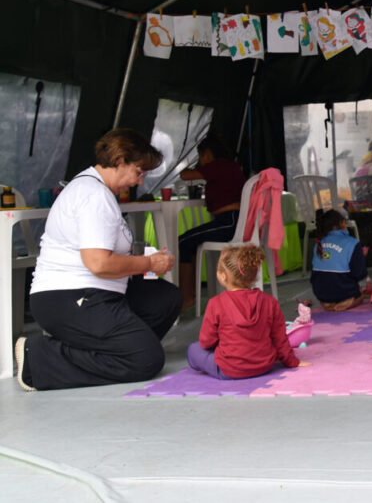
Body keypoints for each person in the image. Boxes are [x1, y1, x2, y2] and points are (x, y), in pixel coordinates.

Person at [14, 129, 182, 391]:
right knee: (146, 360)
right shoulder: (95, 196)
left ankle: (107, 348)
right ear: (120, 161)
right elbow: (99, 264)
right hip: (69, 297)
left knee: (164, 299)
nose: (140, 182)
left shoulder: (95, 189)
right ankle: (40, 358)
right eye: (139, 172)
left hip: (99, 292)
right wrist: (148, 264)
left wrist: (143, 262)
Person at [186, 244, 309, 379]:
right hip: (264, 366)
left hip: (229, 370)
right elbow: (280, 339)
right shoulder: (270, 301)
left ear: (223, 276)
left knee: (193, 349)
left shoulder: (215, 303)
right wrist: (293, 362)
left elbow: (206, 342)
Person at [177, 133, 245, 310]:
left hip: (228, 221)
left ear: (207, 153)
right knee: (189, 243)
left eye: (201, 156)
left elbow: (185, 175)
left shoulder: (217, 166)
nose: (201, 160)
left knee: (183, 241)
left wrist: (196, 166)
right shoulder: (231, 166)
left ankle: (187, 296)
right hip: (233, 221)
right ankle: (189, 293)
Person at [310, 208, 368, 312]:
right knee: (361, 294)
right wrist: (361, 257)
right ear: (342, 223)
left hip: (321, 294)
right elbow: (360, 274)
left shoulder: (318, 244)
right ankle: (346, 303)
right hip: (344, 293)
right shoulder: (352, 243)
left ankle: (328, 303)